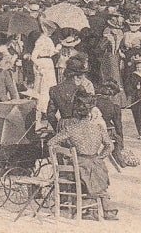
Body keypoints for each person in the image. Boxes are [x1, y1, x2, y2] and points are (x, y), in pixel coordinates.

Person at [48, 91, 118, 221]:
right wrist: (100, 157)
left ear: (76, 113)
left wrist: (68, 153)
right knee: (97, 170)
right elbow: (110, 146)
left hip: (78, 167)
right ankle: (104, 209)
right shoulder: (98, 128)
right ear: (90, 113)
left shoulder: (72, 129)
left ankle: (88, 209)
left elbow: (51, 143)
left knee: (86, 171)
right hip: (96, 164)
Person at [30, 21, 59, 124]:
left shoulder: (48, 39)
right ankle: (42, 110)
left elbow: (51, 52)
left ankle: (48, 110)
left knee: (49, 87)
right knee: (43, 89)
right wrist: (39, 66)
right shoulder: (41, 40)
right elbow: (33, 56)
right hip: (43, 64)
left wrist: (56, 49)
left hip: (48, 63)